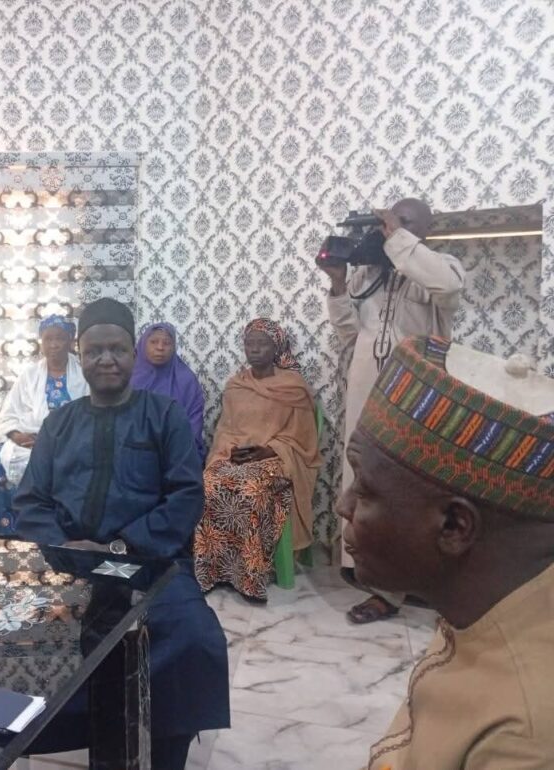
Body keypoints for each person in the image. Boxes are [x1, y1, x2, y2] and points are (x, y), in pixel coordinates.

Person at [14, 297, 230, 770]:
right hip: (68, 563)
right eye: (94, 351)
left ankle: (166, 753)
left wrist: (118, 547)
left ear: (133, 353)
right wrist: (66, 546)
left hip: (146, 562)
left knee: (192, 639)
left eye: (116, 349)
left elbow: (186, 495)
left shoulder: (164, 414)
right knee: (11, 640)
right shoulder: (59, 423)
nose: (106, 359)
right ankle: (59, 739)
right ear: (80, 355)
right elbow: (30, 502)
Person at [340, 337, 554, 770]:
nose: (344, 506)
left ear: (455, 527)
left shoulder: (524, 735)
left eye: (364, 488)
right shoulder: (482, 601)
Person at [320, 198, 466, 623]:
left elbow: (448, 289)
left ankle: (402, 586)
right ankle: (374, 578)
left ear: (424, 231)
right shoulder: (370, 275)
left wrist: (395, 237)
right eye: (390, 221)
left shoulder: (443, 267)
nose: (391, 228)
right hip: (367, 395)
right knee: (367, 485)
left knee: (406, 493)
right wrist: (338, 285)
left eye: (404, 223)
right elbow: (350, 334)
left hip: (414, 399)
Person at [194, 318, 321, 600]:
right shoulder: (236, 385)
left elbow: (302, 438)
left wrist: (268, 450)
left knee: (251, 490)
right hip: (236, 456)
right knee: (208, 484)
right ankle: (213, 570)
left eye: (261, 343)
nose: (254, 349)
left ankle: (249, 575)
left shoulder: (293, 387)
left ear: (276, 348)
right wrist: (231, 449)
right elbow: (226, 429)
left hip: (276, 459)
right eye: (249, 343)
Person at [0, 315, 88, 536]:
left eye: (60, 338)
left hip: (68, 443)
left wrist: (54, 439)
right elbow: (9, 412)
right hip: (28, 440)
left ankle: (50, 530)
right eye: (48, 339)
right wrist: (16, 435)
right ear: (41, 341)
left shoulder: (83, 373)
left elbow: (89, 417)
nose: (53, 345)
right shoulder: (30, 374)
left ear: (71, 341)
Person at [130, 322, 206, 458]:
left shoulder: (186, 381)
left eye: (167, 343)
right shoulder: (128, 378)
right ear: (143, 344)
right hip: (133, 452)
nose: (160, 347)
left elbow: (193, 426)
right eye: (154, 342)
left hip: (177, 453)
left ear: (174, 347)